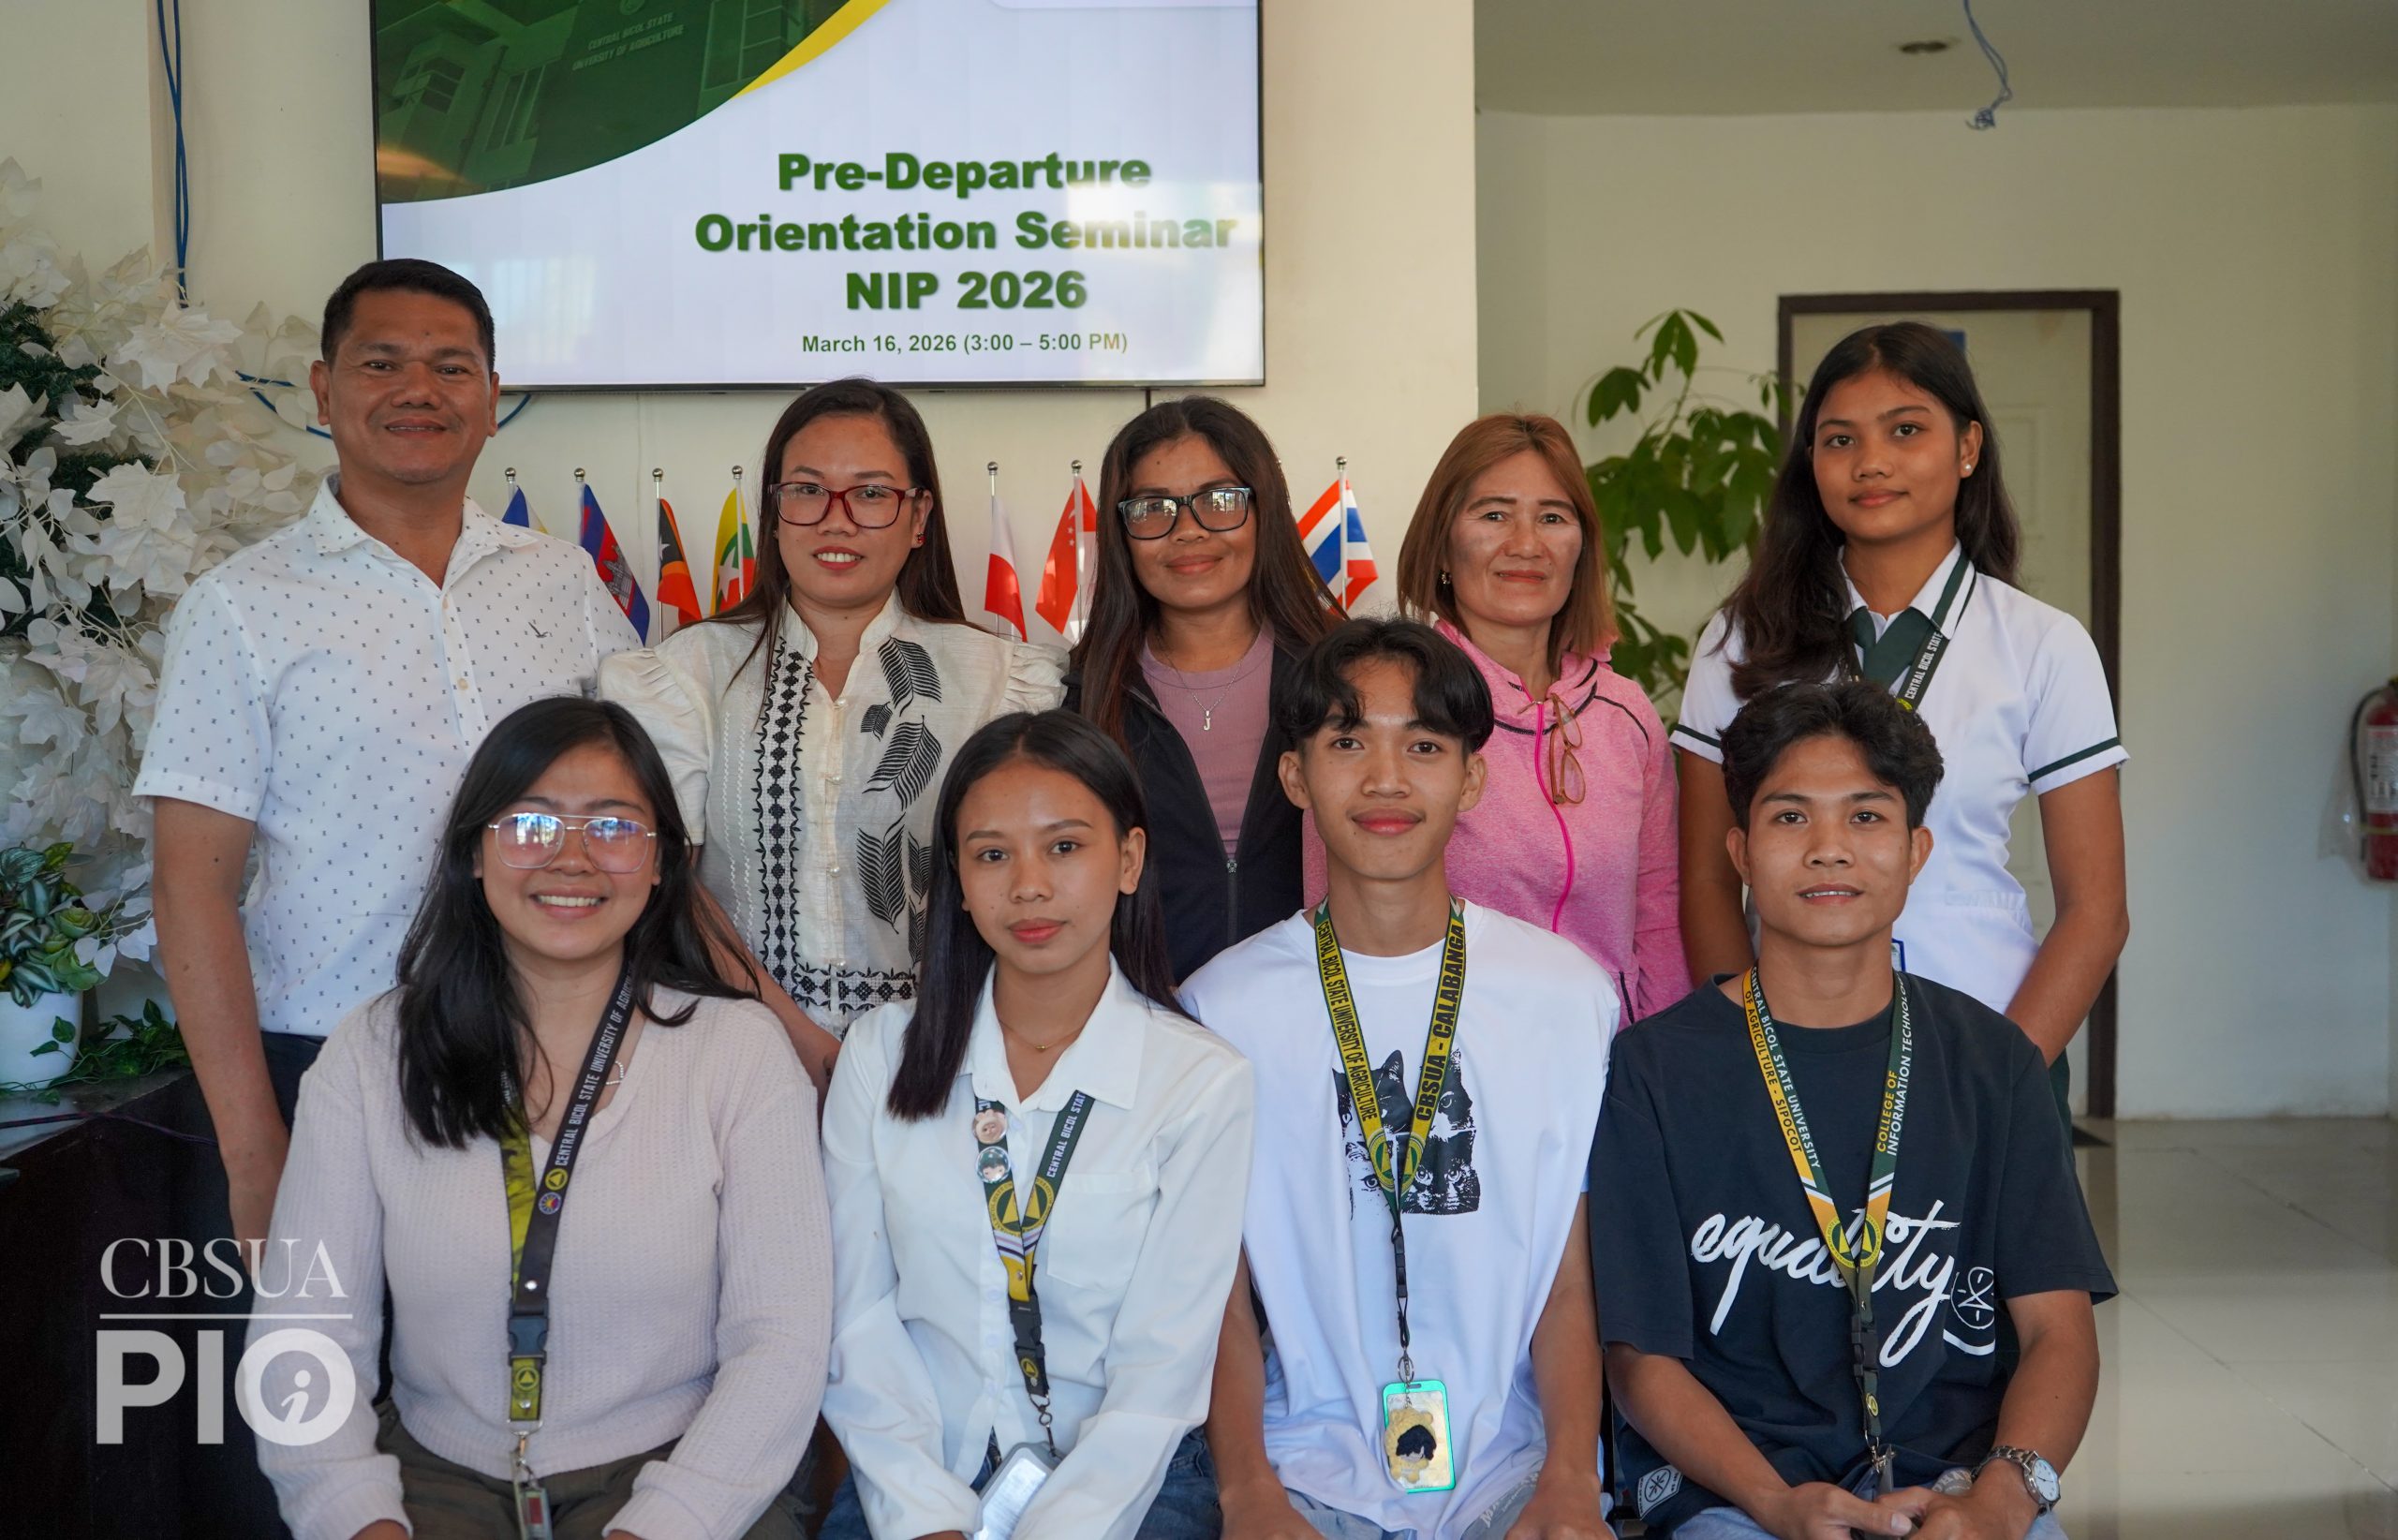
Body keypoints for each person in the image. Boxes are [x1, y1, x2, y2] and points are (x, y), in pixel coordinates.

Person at [141, 257, 640, 1257]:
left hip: (560, 1053)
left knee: (555, 1344)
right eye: (382, 363)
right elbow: (191, 889)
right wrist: (255, 1151)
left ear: (491, 399)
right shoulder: (240, 607)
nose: (419, 389)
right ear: (324, 390)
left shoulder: (563, 582)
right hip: (329, 1062)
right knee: (335, 1357)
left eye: (452, 368)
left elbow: (641, 814)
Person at [251, 697, 831, 1540]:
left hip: (680, 1473)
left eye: (614, 827)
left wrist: (668, 1521)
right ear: (473, 853)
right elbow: (304, 1332)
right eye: (530, 824)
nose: (571, 858)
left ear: (661, 861)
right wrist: (353, 1515)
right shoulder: (373, 1051)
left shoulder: (739, 1053)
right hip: (433, 1477)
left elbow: (781, 1340)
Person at [1595, 680, 2112, 1539]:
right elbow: (1640, 1358)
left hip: (1959, 1487)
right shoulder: (1654, 1070)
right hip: (1738, 1496)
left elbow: (2059, 1333)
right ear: (1740, 851)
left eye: (1866, 817)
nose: (1829, 849)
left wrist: (1999, 1501)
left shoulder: (1994, 1064)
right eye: (1790, 817)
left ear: (1916, 851)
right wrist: (1772, 1502)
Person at [1180, 618, 1616, 1540]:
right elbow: (1215, 1294)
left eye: (1422, 746)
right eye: (1348, 743)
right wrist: (1247, 1492)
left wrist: (1573, 1480)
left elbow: (1567, 1278)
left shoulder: (1566, 997)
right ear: (1295, 776)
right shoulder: (1220, 1010)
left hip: (1515, 1469)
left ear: (1471, 778)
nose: (1385, 779)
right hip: (1301, 1473)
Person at [1671, 323, 2127, 1125]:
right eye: (1839, 439)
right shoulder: (1742, 640)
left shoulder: (2042, 645)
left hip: (1987, 1039)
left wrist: (2005, 1077)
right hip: (1790, 1055)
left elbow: (2096, 910)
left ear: (1968, 447)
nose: (1871, 462)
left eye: (1906, 430)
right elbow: (1708, 877)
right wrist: (1751, 1054)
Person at [820, 710, 1253, 1540]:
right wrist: (924, 1514)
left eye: (1064, 847)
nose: (1028, 886)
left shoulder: (1200, 1082)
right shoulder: (882, 1054)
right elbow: (858, 1320)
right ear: (957, 876)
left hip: (1127, 1483)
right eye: (992, 855)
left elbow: (1160, 1371)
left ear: (1128, 860)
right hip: (919, 1471)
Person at [602, 378, 1063, 1087]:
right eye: (808, 491)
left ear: (919, 517)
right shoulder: (687, 674)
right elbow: (669, 886)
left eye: (871, 493)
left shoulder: (1001, 680)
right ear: (774, 513)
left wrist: (916, 1048)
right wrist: (803, 1044)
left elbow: (1019, 881)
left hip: (946, 1059)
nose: (836, 521)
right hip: (730, 1058)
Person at [1389, 411, 1683, 1019]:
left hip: (1609, 1059)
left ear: (1582, 547)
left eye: (1552, 517)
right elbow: (1339, 915)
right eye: (1494, 515)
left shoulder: (1627, 715)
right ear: (1441, 543)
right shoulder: (1388, 707)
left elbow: (1659, 908)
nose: (1526, 544)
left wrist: (1658, 1052)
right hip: (1447, 1063)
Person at [1067, 396, 1340, 982]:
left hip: (1319, 1012)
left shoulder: (1342, 677)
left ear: (1264, 511)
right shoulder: (1080, 695)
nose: (1187, 531)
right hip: (1149, 1013)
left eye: (1219, 501)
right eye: (1152, 508)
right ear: (1121, 531)